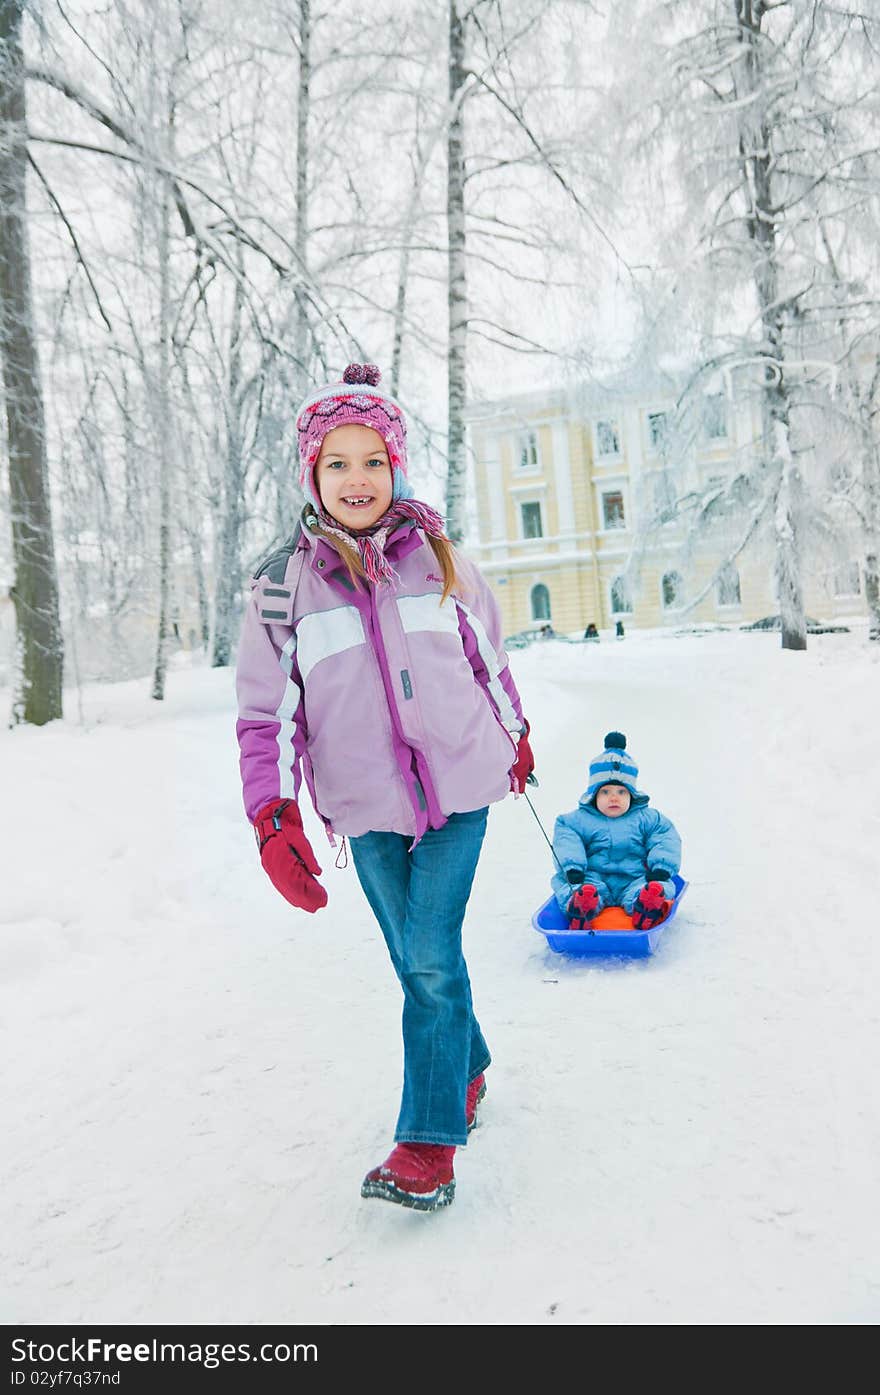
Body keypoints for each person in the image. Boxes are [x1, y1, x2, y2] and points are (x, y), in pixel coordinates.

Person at [235, 362, 534, 1213]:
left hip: (460, 791)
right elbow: (266, 712)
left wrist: (516, 737)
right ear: (312, 475)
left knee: (430, 956)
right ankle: (466, 1065)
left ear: (395, 467)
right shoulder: (279, 586)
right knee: (416, 959)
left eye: (373, 460)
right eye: (338, 463)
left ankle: (427, 1144)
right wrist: (271, 812)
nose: (357, 479)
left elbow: (489, 661)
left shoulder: (442, 558)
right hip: (364, 807)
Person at [550, 731, 680, 929]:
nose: (614, 798)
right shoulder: (579, 819)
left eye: (621, 792)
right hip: (592, 880)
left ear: (632, 794)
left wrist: (661, 868)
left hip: (635, 879)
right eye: (605, 792)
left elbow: (664, 837)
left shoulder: (647, 818)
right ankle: (580, 907)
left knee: (662, 886)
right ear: (593, 794)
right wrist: (573, 868)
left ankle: (645, 905)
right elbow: (566, 837)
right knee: (570, 886)